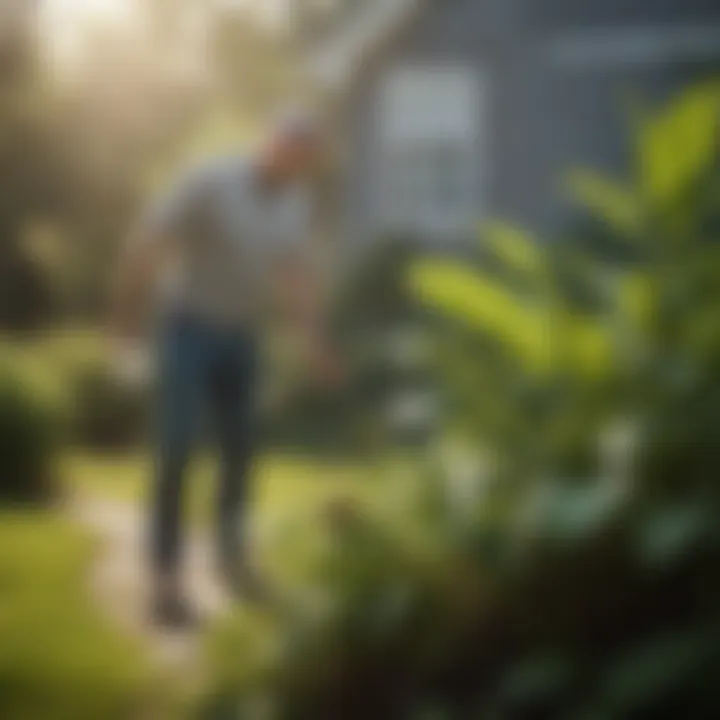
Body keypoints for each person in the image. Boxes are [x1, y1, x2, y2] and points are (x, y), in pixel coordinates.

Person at [111, 112, 334, 627]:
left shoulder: (296, 203)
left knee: (241, 448)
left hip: (242, 337)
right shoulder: (210, 179)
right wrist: (124, 316)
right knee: (177, 446)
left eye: (305, 158)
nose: (294, 162)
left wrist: (314, 342)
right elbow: (150, 236)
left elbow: (295, 273)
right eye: (288, 148)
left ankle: (231, 558)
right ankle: (165, 580)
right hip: (187, 328)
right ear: (268, 143)